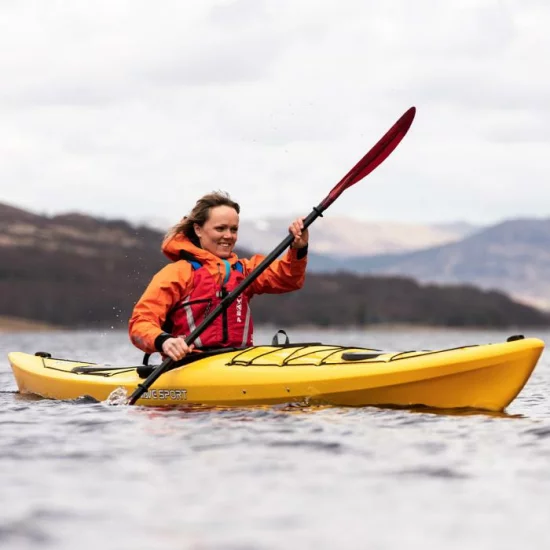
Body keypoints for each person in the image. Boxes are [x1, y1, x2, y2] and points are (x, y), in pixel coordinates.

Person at [129, 191, 309, 362]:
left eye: (234, 229)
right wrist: (164, 341)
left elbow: (289, 279)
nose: (228, 236)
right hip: (190, 363)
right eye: (220, 228)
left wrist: (299, 248)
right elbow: (140, 323)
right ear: (198, 229)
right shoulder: (177, 274)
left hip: (238, 361)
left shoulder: (246, 270)